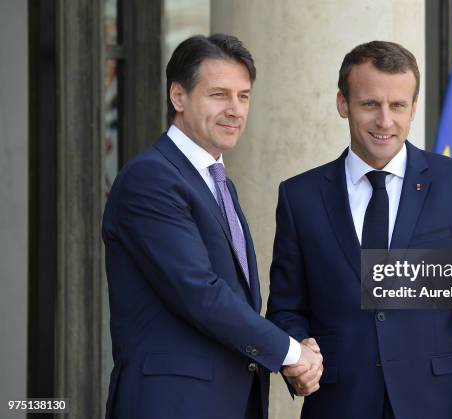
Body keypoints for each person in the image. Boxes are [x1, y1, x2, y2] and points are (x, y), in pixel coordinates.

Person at [267, 41, 452, 419]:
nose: (385, 121)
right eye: (369, 104)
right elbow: (286, 307)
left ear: (413, 107)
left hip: (437, 405)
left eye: (398, 105)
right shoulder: (300, 196)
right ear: (343, 104)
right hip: (338, 405)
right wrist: (297, 356)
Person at [102, 34, 322, 419]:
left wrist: (291, 355)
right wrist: (290, 353)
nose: (235, 109)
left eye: (244, 96)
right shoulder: (151, 179)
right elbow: (199, 293)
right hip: (172, 405)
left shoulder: (214, 180)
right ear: (178, 96)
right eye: (219, 94)